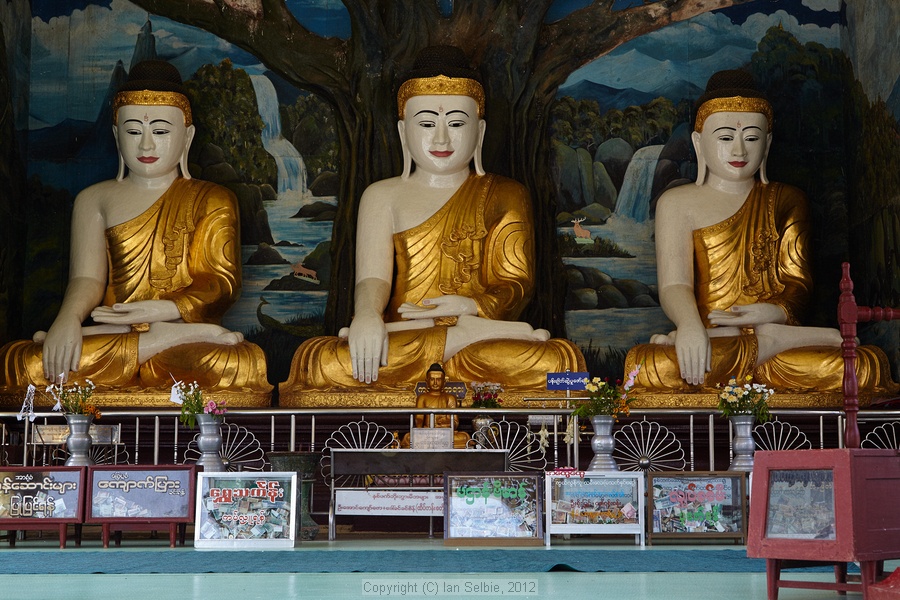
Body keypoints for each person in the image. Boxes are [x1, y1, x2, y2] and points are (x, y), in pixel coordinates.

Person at [280, 46, 585, 396]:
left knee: (560, 368)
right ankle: (455, 341)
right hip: (403, 337)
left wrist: (470, 306)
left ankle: (464, 339)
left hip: (482, 340)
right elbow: (373, 278)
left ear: (480, 131)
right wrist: (366, 316)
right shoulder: (381, 196)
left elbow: (515, 283)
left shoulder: (505, 194)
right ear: (403, 131)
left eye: (456, 123)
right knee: (320, 363)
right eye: (426, 124)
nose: (441, 138)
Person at [0, 60, 272, 404]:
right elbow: (86, 279)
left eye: (160, 132)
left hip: (184, 337)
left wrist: (160, 310)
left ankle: (165, 339)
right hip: (117, 330)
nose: (145, 146)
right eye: (132, 132)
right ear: (116, 135)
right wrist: (68, 319)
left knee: (236, 364)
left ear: (187, 136)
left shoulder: (212, 198)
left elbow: (221, 283)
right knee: (20, 364)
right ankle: (154, 342)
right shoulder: (93, 199)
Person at [624, 70, 897, 394]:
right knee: (648, 366)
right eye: (725, 138)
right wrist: (689, 325)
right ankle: (765, 343)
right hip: (711, 340)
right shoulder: (676, 203)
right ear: (699, 143)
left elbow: (798, 283)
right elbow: (675, 285)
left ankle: (770, 340)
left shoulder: (786, 200)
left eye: (752, 138)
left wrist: (774, 311)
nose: (739, 150)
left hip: (772, 338)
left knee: (863, 366)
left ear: (767, 144)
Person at [401, 363, 470, 448]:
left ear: (444, 382)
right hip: (427, 434)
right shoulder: (422, 398)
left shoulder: (450, 398)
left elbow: (455, 422)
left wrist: (444, 423)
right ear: (427, 381)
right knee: (409, 438)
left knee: (464, 437)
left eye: (439, 379)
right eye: (432, 379)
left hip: (445, 434)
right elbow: (419, 421)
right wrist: (421, 426)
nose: (435, 383)